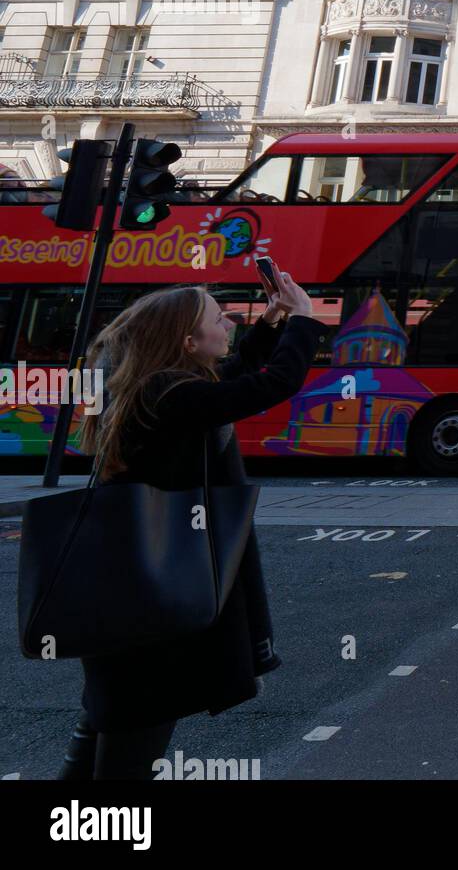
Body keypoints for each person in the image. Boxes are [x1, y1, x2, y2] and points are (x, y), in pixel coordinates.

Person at [58, 273, 328, 781]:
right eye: (216, 317)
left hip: (129, 585)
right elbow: (267, 386)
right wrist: (306, 320)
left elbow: (231, 377)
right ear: (188, 342)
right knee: (132, 740)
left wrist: (271, 323)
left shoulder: (159, 387)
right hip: (152, 598)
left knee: (105, 722)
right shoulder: (170, 394)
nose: (229, 321)